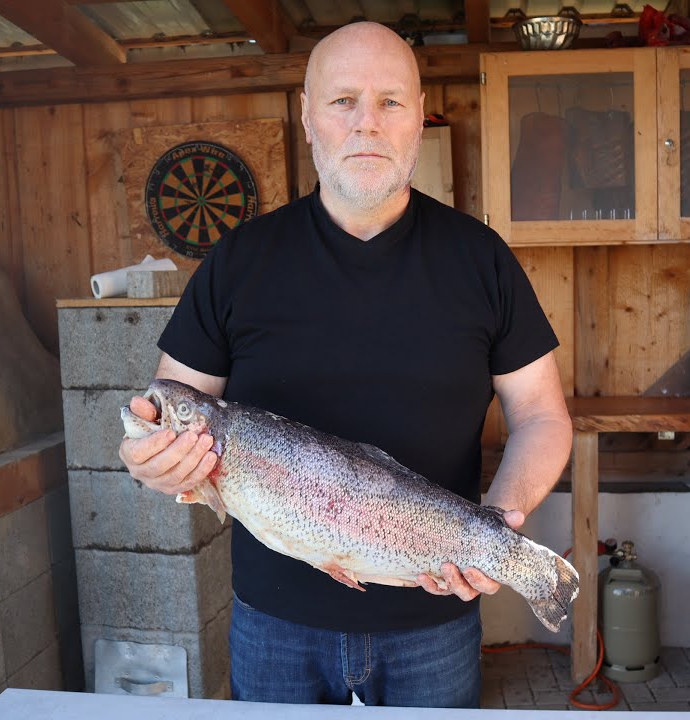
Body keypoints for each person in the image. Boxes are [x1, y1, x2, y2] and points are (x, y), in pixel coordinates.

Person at [118, 21, 572, 708]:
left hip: (433, 617)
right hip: (274, 623)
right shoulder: (239, 261)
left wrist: (496, 526)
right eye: (343, 102)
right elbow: (169, 405)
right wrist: (147, 458)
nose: (369, 124)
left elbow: (541, 415)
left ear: (420, 117)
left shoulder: (482, 261)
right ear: (307, 117)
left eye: (391, 101)